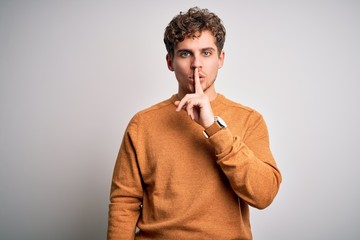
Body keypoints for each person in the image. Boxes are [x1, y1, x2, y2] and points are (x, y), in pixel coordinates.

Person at [107, 6, 282, 240]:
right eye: (185, 54)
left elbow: (264, 194)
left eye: (206, 53)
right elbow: (124, 203)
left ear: (221, 59)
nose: (196, 64)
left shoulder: (249, 120)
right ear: (170, 61)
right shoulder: (143, 124)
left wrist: (213, 126)